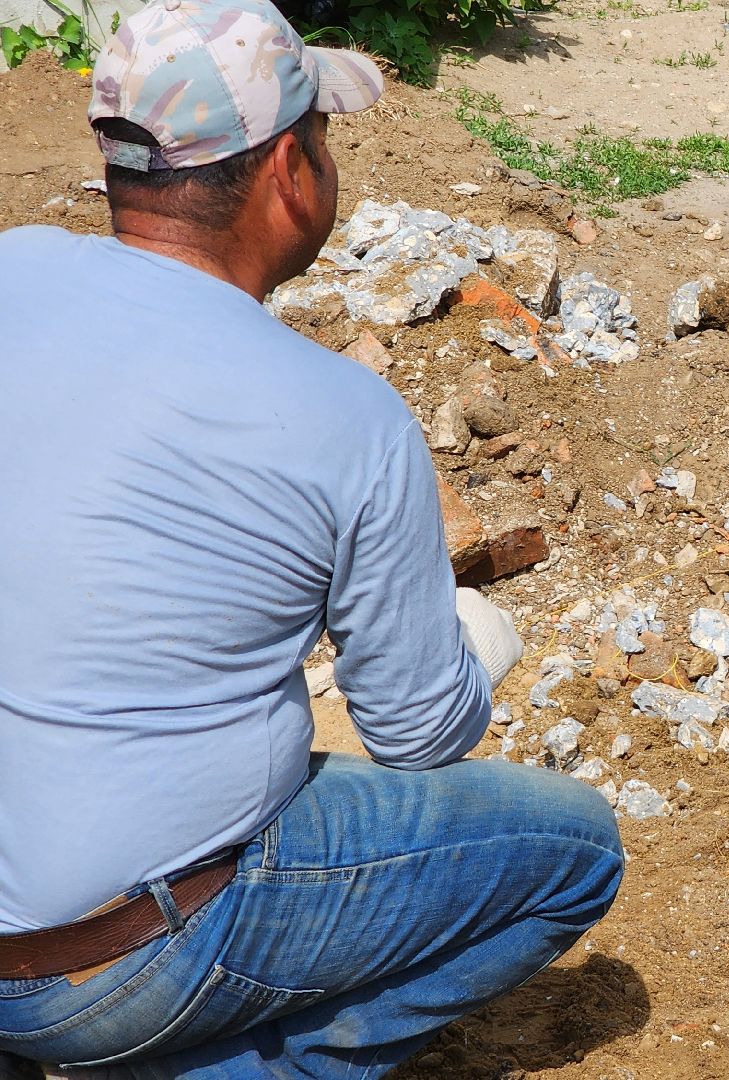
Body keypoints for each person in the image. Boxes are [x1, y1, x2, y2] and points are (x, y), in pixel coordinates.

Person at [0, 1, 625, 1075]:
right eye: (324, 138)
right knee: (572, 849)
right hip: (101, 964)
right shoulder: (343, 415)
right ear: (292, 169)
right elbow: (418, 736)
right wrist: (476, 644)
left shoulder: (15, 271)